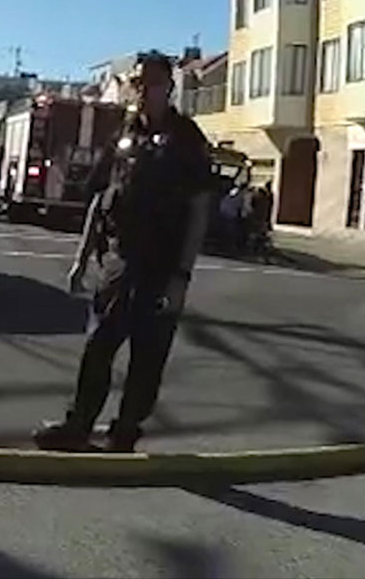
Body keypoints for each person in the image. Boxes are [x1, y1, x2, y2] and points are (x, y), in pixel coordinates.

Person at [33, 50, 215, 454]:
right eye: (137, 83)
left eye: (150, 83)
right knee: (97, 347)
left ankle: (125, 432)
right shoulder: (123, 134)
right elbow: (100, 199)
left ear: (167, 88)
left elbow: (200, 208)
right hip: (118, 263)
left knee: (147, 358)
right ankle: (78, 423)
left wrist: (183, 276)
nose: (142, 91)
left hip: (162, 266)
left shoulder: (186, 138)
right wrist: (81, 259)